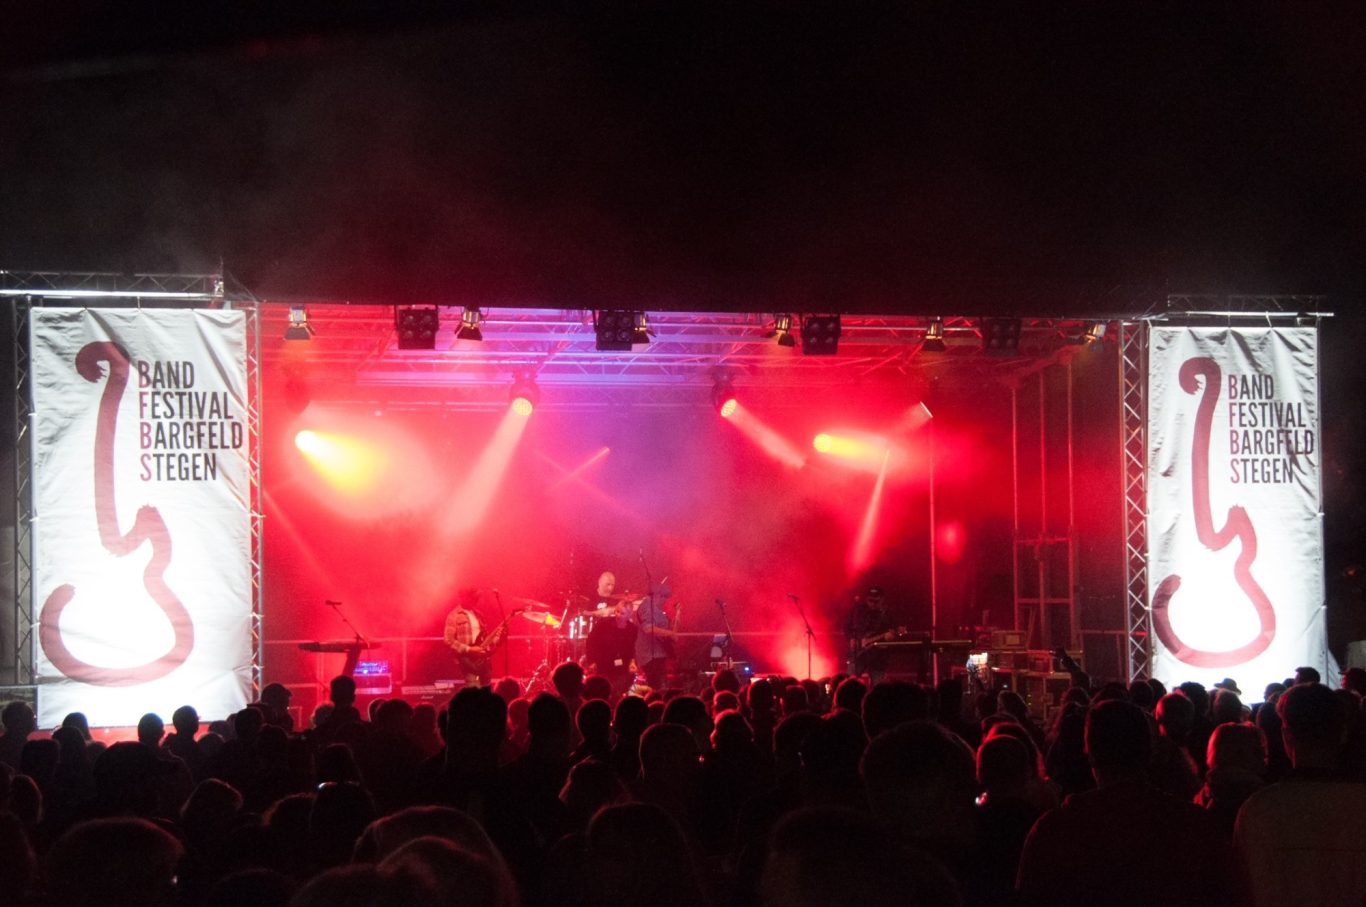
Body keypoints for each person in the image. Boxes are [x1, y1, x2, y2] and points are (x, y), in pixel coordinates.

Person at [584, 572, 638, 695]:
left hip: (623, 668)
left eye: (622, 613)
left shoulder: (632, 629)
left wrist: (633, 661)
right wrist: (591, 661)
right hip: (604, 666)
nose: (618, 615)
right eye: (617, 611)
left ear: (629, 615)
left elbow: (634, 649)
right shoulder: (603, 624)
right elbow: (591, 641)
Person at [844, 587, 900, 682]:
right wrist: (851, 639)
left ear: (882, 599)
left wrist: (892, 637)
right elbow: (847, 627)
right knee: (850, 682)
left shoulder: (888, 613)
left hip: (878, 657)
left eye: (876, 601)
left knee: (878, 685)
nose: (873, 603)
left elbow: (896, 631)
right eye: (870, 601)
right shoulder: (859, 610)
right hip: (858, 655)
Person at [445, 588, 497, 688]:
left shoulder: (479, 615)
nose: (475, 600)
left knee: (486, 690)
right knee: (474, 688)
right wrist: (469, 649)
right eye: (472, 597)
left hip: (483, 660)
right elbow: (448, 640)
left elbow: (486, 637)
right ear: (463, 598)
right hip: (467, 660)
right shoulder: (454, 616)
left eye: (476, 598)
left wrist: (497, 639)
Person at [633, 584, 678, 691]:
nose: (665, 601)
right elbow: (648, 628)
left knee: (660, 687)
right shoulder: (647, 607)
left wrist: (678, 613)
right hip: (650, 656)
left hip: (658, 654)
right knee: (657, 688)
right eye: (664, 597)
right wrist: (669, 633)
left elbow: (669, 631)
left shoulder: (657, 609)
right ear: (658, 595)